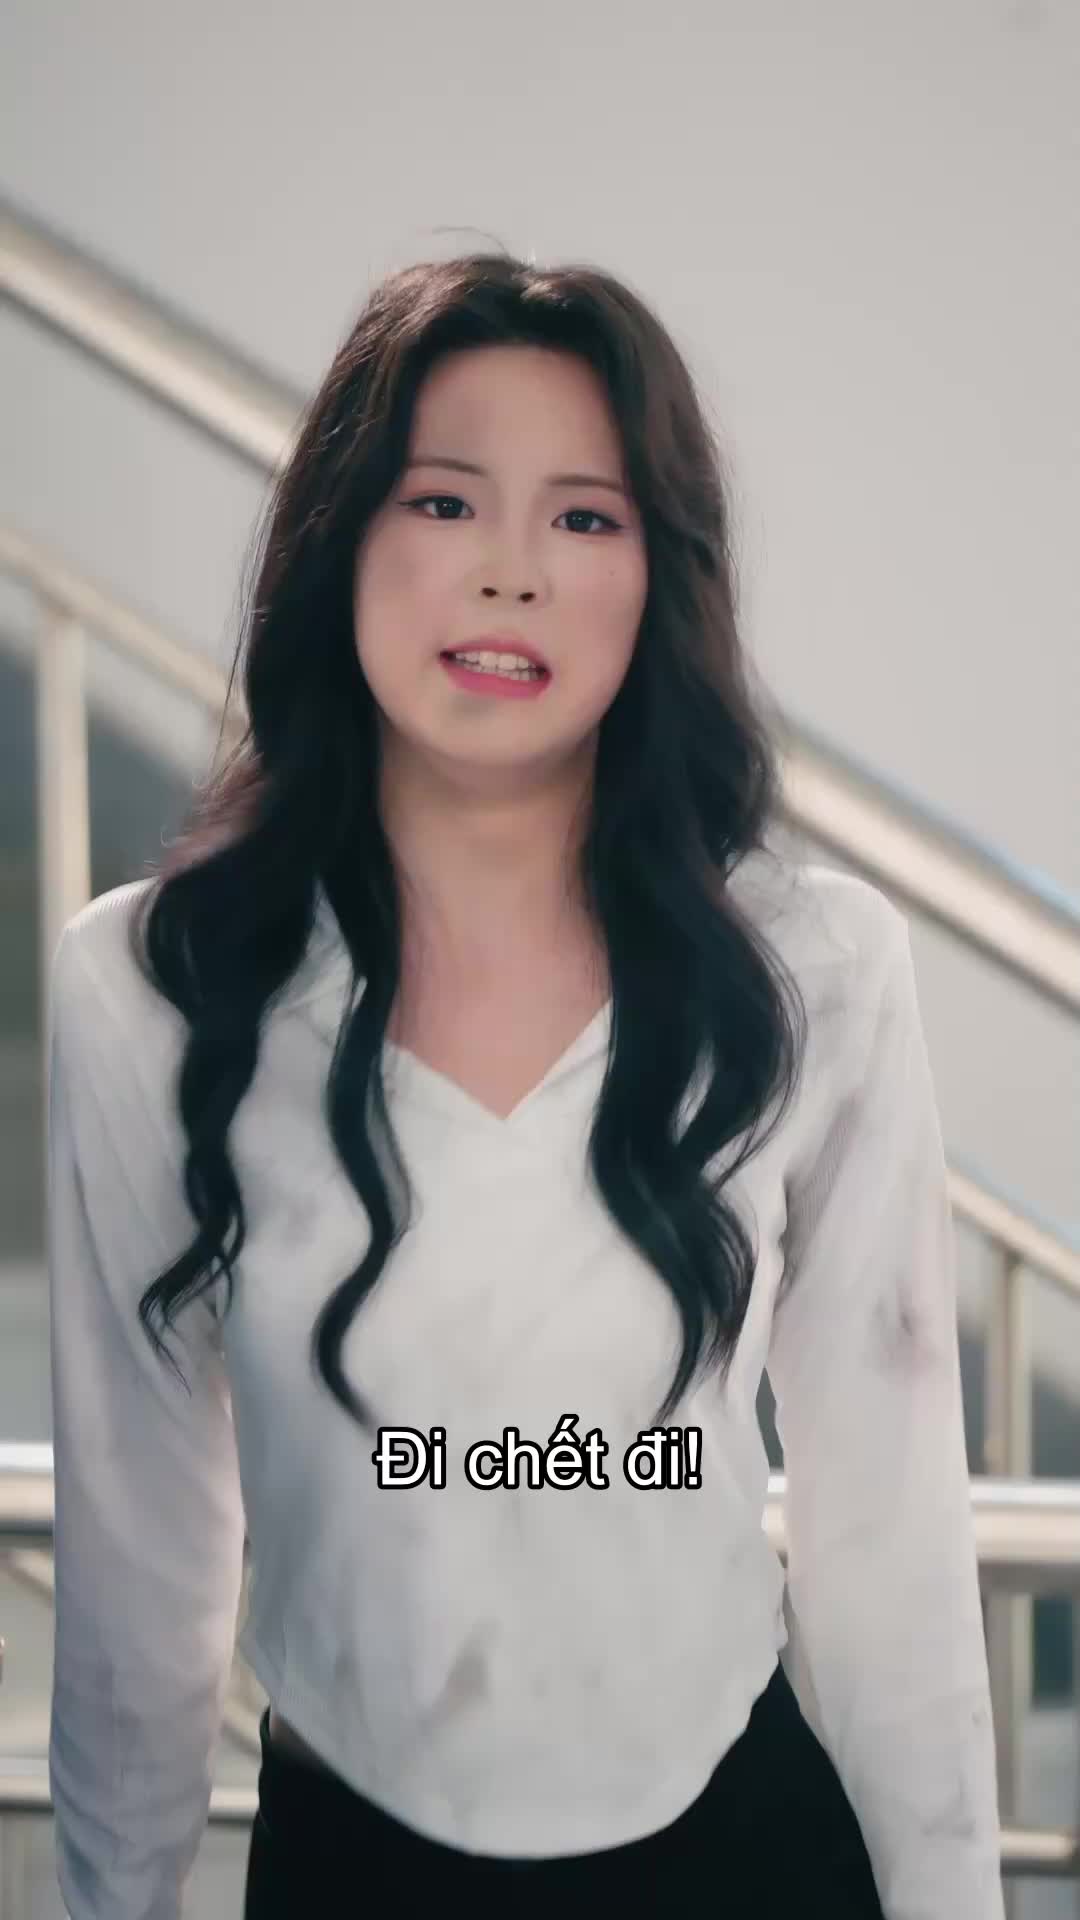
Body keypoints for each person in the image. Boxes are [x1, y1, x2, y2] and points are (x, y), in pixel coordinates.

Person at [46, 249, 1005, 1919]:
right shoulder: (150, 991)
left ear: (656, 578)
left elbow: (888, 1545)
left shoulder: (815, 970)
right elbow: (138, 1563)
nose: (509, 571)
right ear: (341, 545)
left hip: (740, 1854)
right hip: (352, 1864)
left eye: (583, 517)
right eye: (443, 503)